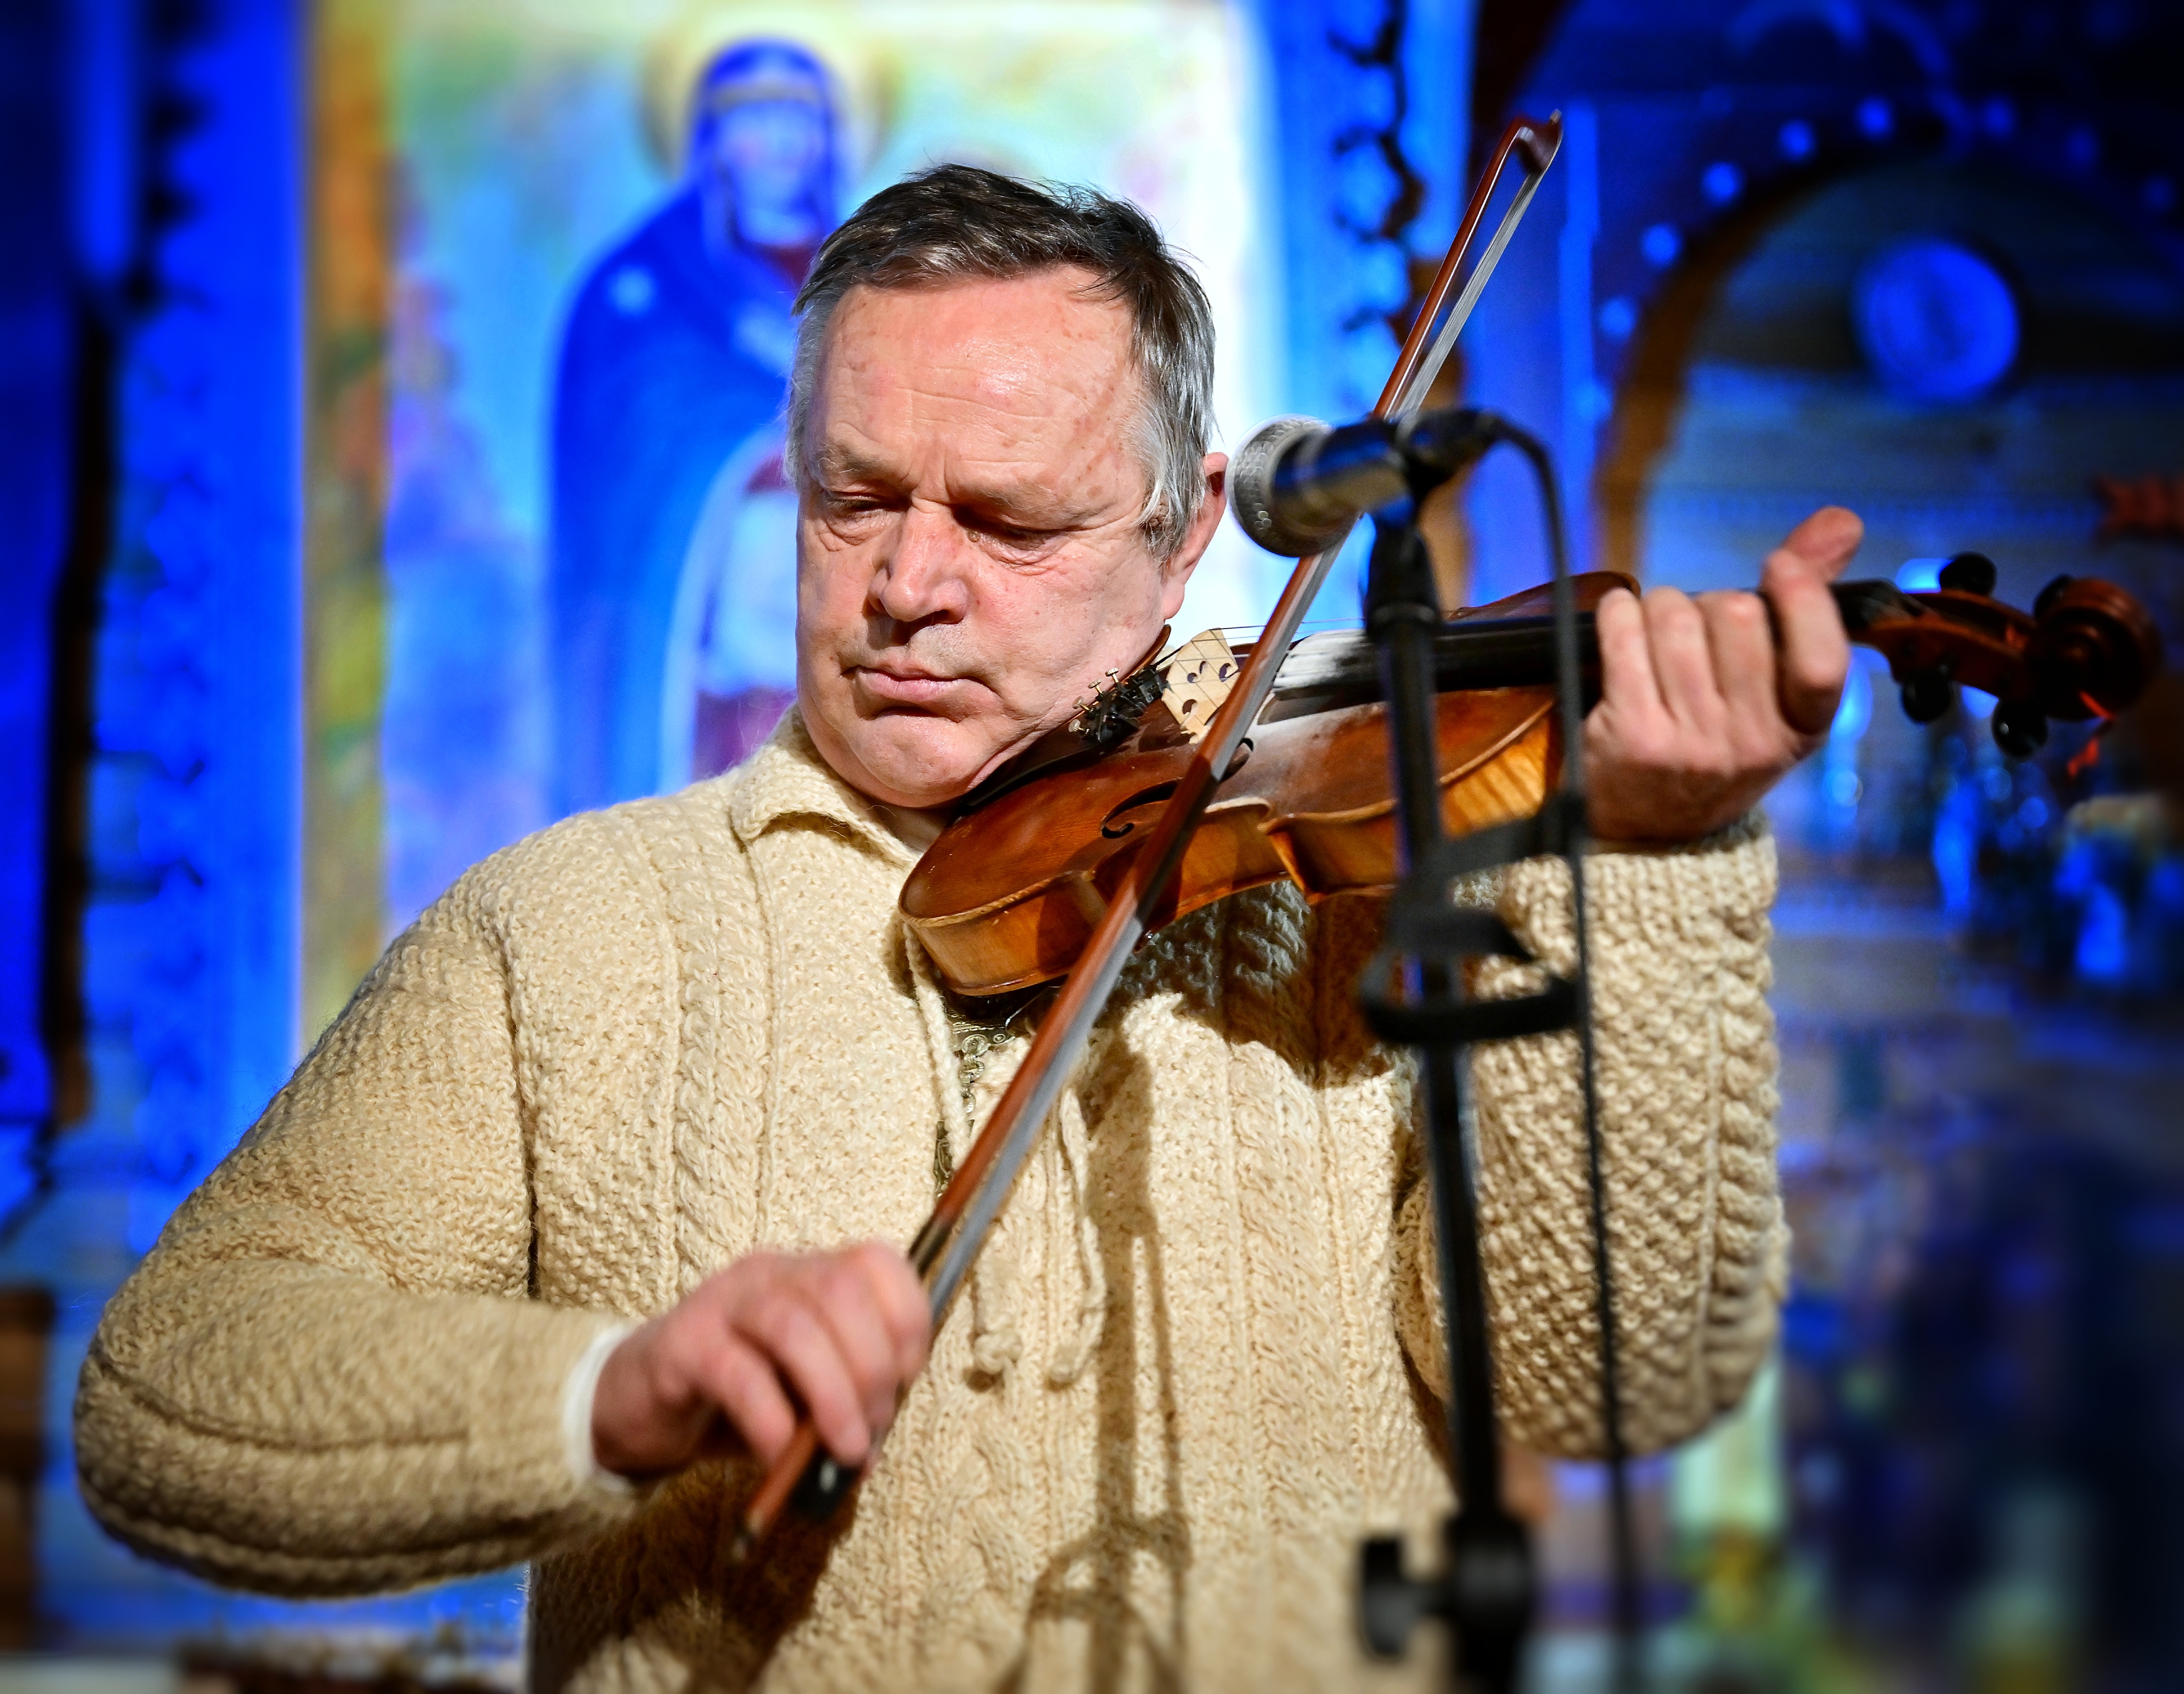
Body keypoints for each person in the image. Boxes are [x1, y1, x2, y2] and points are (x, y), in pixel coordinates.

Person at [78, 167, 1857, 1691]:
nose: (908, 587)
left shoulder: (1368, 896)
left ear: (1182, 537)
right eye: (854, 498)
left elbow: (1613, 1381)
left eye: (1010, 522)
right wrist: (611, 1394)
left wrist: (1651, 858)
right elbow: (165, 1396)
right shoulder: (575, 927)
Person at [550, 39, 839, 814]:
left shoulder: (875, 274)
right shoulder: (646, 291)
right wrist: (753, 460)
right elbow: (625, 468)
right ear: (711, 137)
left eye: (800, 114)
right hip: (710, 602)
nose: (780, 138)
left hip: (832, 575)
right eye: (754, 114)